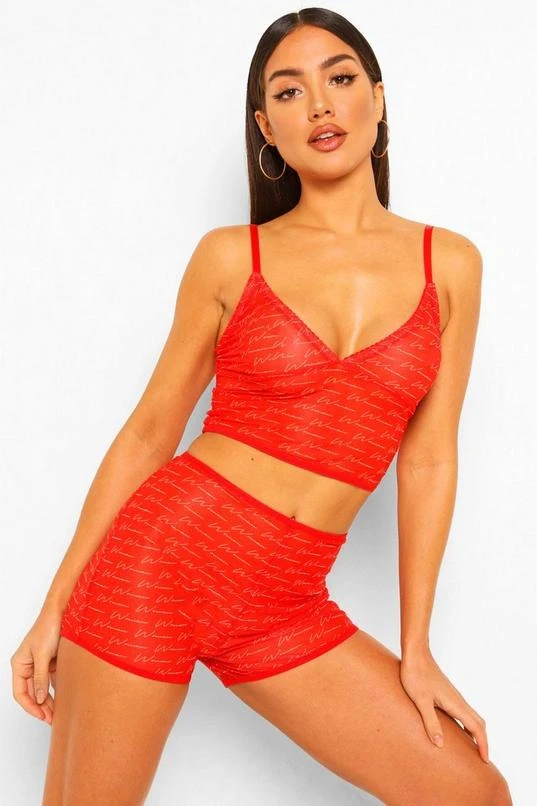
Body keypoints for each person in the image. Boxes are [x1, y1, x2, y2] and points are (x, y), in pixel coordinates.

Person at [11, 8, 512, 805]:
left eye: (339, 78)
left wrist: (415, 647)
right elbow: (147, 435)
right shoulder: (229, 257)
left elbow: (427, 458)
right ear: (265, 129)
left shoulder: (447, 263)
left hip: (283, 602)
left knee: (469, 792)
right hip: (158, 566)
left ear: (378, 99)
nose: (319, 104)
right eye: (288, 91)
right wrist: (54, 607)